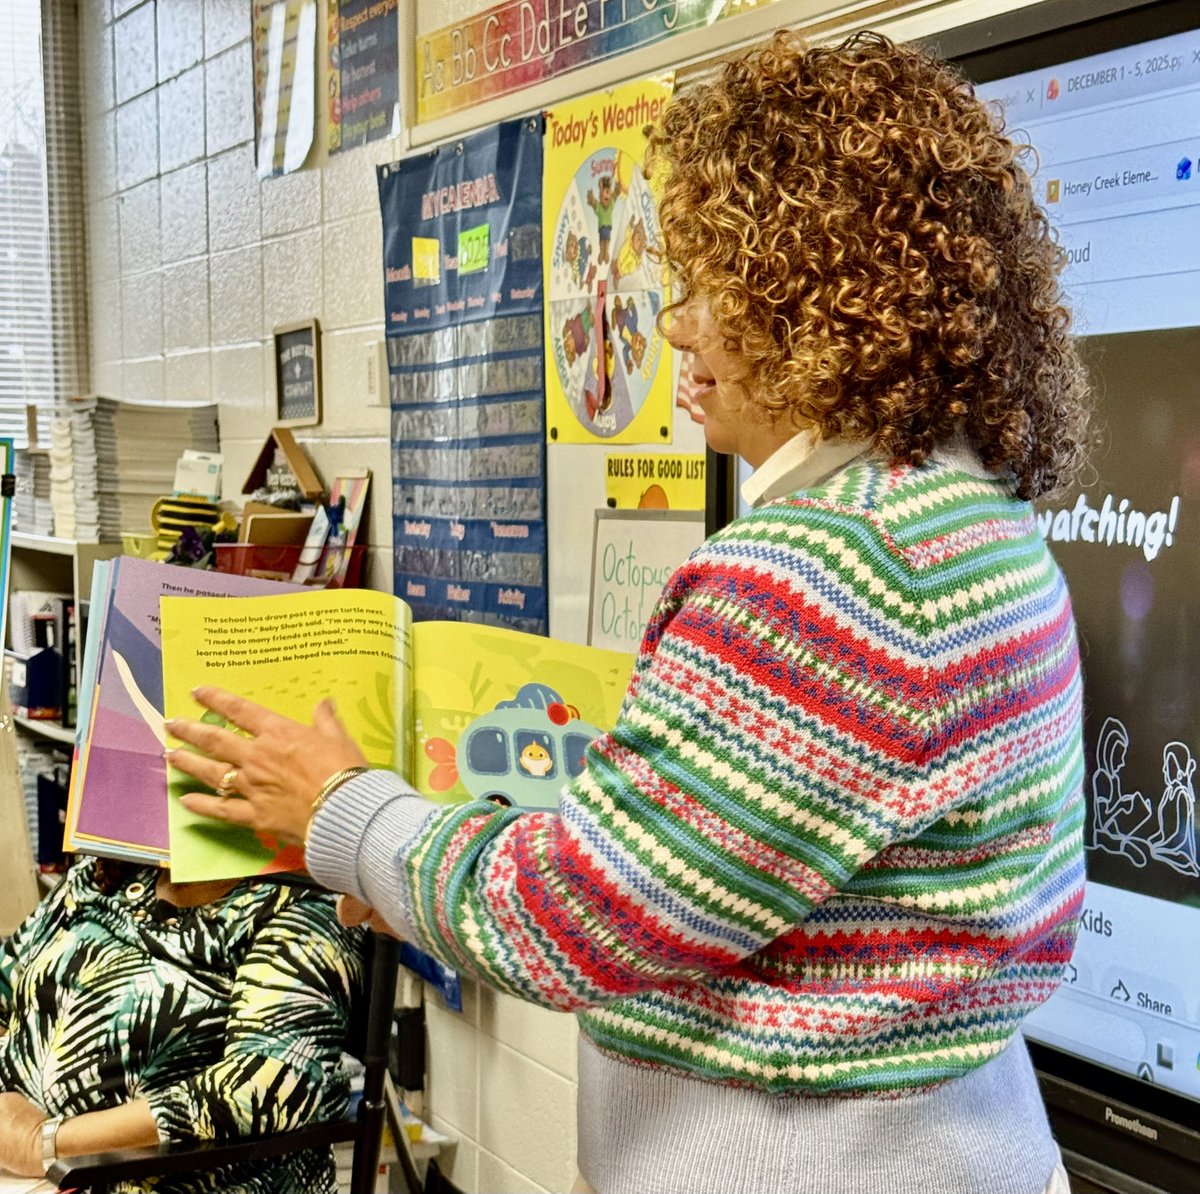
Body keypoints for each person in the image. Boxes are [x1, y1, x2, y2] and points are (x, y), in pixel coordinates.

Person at [167, 30, 1091, 1194]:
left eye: (714, 283)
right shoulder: (968, 523)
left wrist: (345, 812)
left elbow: (581, 916)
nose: (679, 326)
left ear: (825, 300)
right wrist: (450, 872)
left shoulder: (821, 571)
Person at [0, 856, 364, 1193]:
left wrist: (43, 1143)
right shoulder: (107, 873)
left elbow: (262, 1083)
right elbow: (5, 980)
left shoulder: (301, 907)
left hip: (169, 1180)